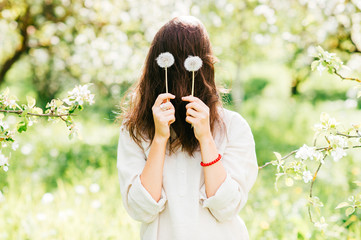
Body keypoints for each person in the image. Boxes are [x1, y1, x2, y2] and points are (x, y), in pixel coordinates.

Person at [116, 16, 258, 240]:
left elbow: (227, 207)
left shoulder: (233, 127)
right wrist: (160, 139)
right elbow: (141, 208)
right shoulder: (137, 129)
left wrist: (206, 139)